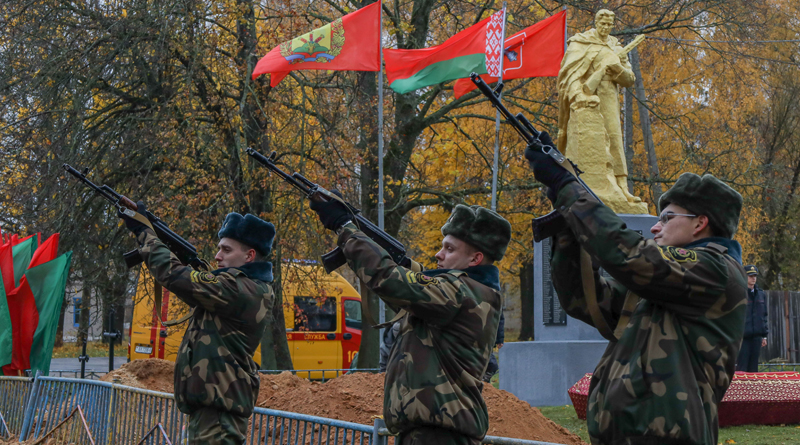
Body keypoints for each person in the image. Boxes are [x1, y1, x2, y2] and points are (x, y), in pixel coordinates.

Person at [525, 133, 747, 445]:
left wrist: (568, 189)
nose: (656, 227)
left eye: (668, 218)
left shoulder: (716, 271)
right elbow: (586, 302)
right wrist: (568, 229)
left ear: (700, 223)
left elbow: (632, 257)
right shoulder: (666, 286)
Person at [310, 198, 509, 445]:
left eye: (449, 249)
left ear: (475, 259)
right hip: (431, 433)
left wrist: (346, 228)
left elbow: (392, 281)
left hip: (440, 437)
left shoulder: (461, 293)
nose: (439, 254)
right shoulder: (464, 293)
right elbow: (411, 285)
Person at [120, 206, 275, 445]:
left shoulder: (241, 289)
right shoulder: (237, 288)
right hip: (212, 411)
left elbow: (175, 275)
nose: (217, 256)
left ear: (249, 256)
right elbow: (195, 282)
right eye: (218, 248)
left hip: (219, 417)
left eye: (226, 250)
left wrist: (145, 232)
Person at [557, 9, 643, 209]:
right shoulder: (581, 42)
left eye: (609, 25)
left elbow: (629, 79)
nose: (605, 28)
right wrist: (580, 94)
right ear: (596, 23)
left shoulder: (615, 45)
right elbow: (569, 75)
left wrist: (616, 69)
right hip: (588, 100)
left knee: (615, 140)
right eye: (602, 24)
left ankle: (622, 187)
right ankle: (588, 185)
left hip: (609, 99)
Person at [737, 265, 768, 372]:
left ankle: (753, 389)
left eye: (755, 276)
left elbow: (763, 315)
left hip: (757, 337)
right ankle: (741, 389)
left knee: (754, 369)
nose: (753, 278)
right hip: (743, 337)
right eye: (750, 276)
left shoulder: (761, 294)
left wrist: (764, 335)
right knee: (742, 368)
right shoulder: (740, 293)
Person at [483, 312, 504, 382]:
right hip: (475, 337)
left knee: (491, 365)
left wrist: (500, 339)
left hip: (488, 338)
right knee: (491, 364)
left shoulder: (497, 302)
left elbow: (500, 319)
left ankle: (485, 381)